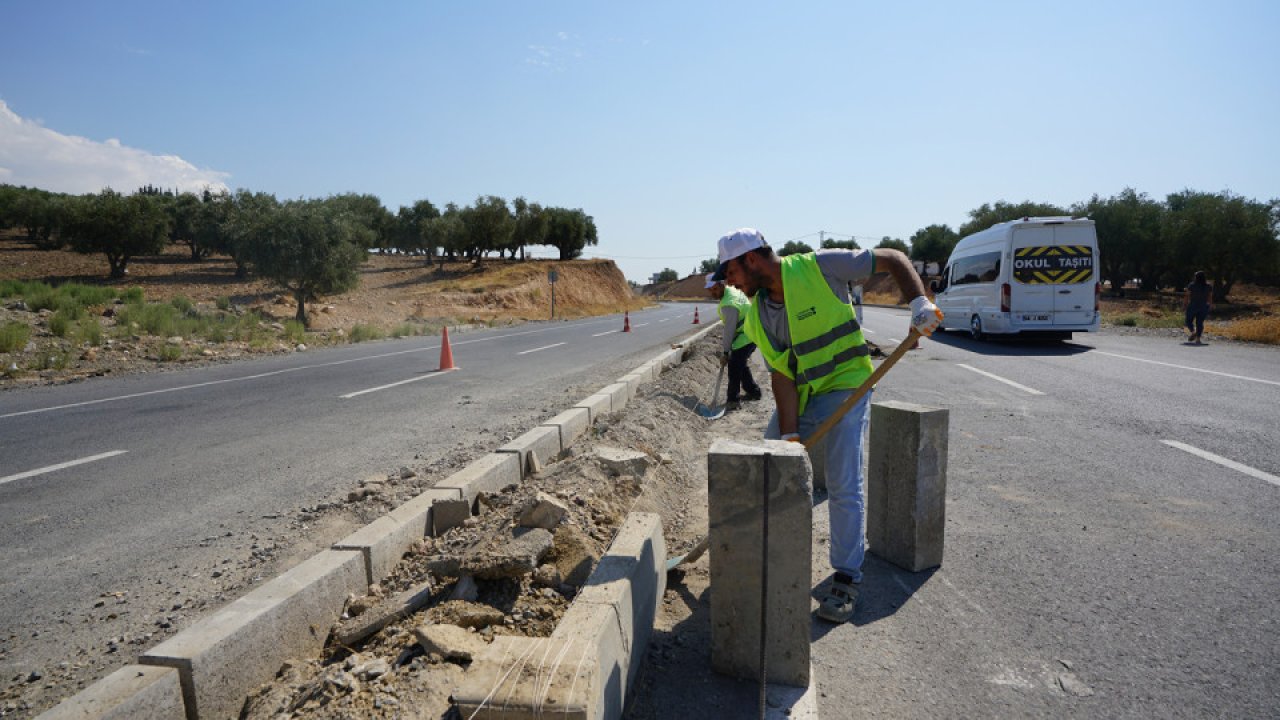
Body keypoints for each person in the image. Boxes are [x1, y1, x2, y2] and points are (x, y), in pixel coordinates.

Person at [711, 227, 943, 623]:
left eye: (730, 271)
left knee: (842, 480)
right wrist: (789, 437)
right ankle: (763, 559)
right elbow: (782, 376)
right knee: (769, 466)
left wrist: (919, 301)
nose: (729, 281)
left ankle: (846, 578)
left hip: (848, 384)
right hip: (804, 394)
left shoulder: (820, 266)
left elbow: (891, 257)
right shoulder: (761, 313)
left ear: (750, 259)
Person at [705, 273, 762, 410]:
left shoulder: (729, 304)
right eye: (710, 290)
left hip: (747, 335)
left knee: (734, 366)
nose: (713, 292)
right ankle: (754, 392)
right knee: (740, 363)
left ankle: (733, 400)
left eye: (715, 289)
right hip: (751, 331)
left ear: (721, 285)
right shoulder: (732, 291)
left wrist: (725, 352)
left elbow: (729, 330)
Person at [1184, 270, 1212, 344]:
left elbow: (1187, 295)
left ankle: (1193, 332)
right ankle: (1198, 339)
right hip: (1203, 306)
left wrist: (1185, 304)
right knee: (1199, 323)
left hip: (1193, 305)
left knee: (1188, 321)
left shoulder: (1192, 285)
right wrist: (1210, 305)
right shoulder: (1208, 286)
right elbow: (1209, 297)